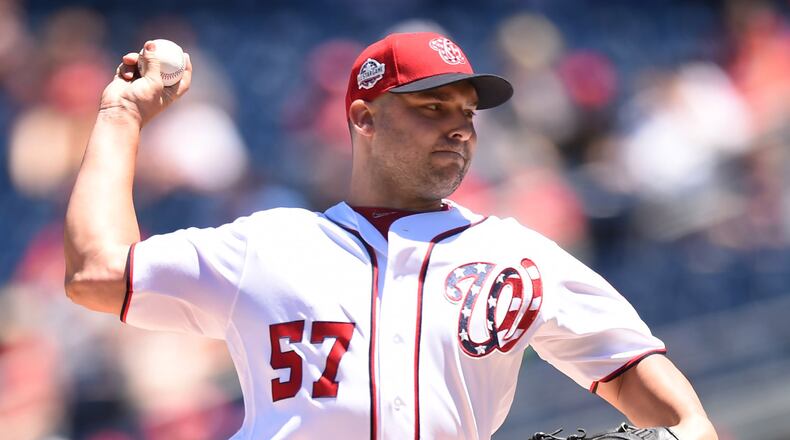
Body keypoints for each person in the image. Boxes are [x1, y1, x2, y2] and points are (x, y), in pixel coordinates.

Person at [64, 33, 717, 439]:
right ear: (363, 118)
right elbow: (97, 272)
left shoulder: (514, 255)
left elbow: (645, 380)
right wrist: (121, 115)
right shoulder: (267, 246)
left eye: (466, 112)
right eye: (432, 109)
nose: (459, 127)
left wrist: (687, 431)